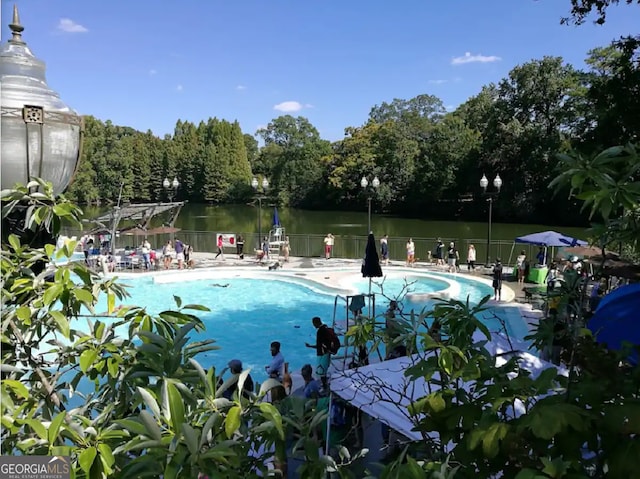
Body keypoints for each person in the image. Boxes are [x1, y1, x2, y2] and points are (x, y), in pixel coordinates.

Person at [305, 317, 332, 388]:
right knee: (323, 370)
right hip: (326, 353)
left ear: (316, 323)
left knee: (321, 371)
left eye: (314, 324)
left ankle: (324, 386)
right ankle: (324, 385)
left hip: (323, 354)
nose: (314, 326)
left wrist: (310, 346)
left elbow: (319, 345)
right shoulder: (325, 328)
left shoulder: (320, 331)